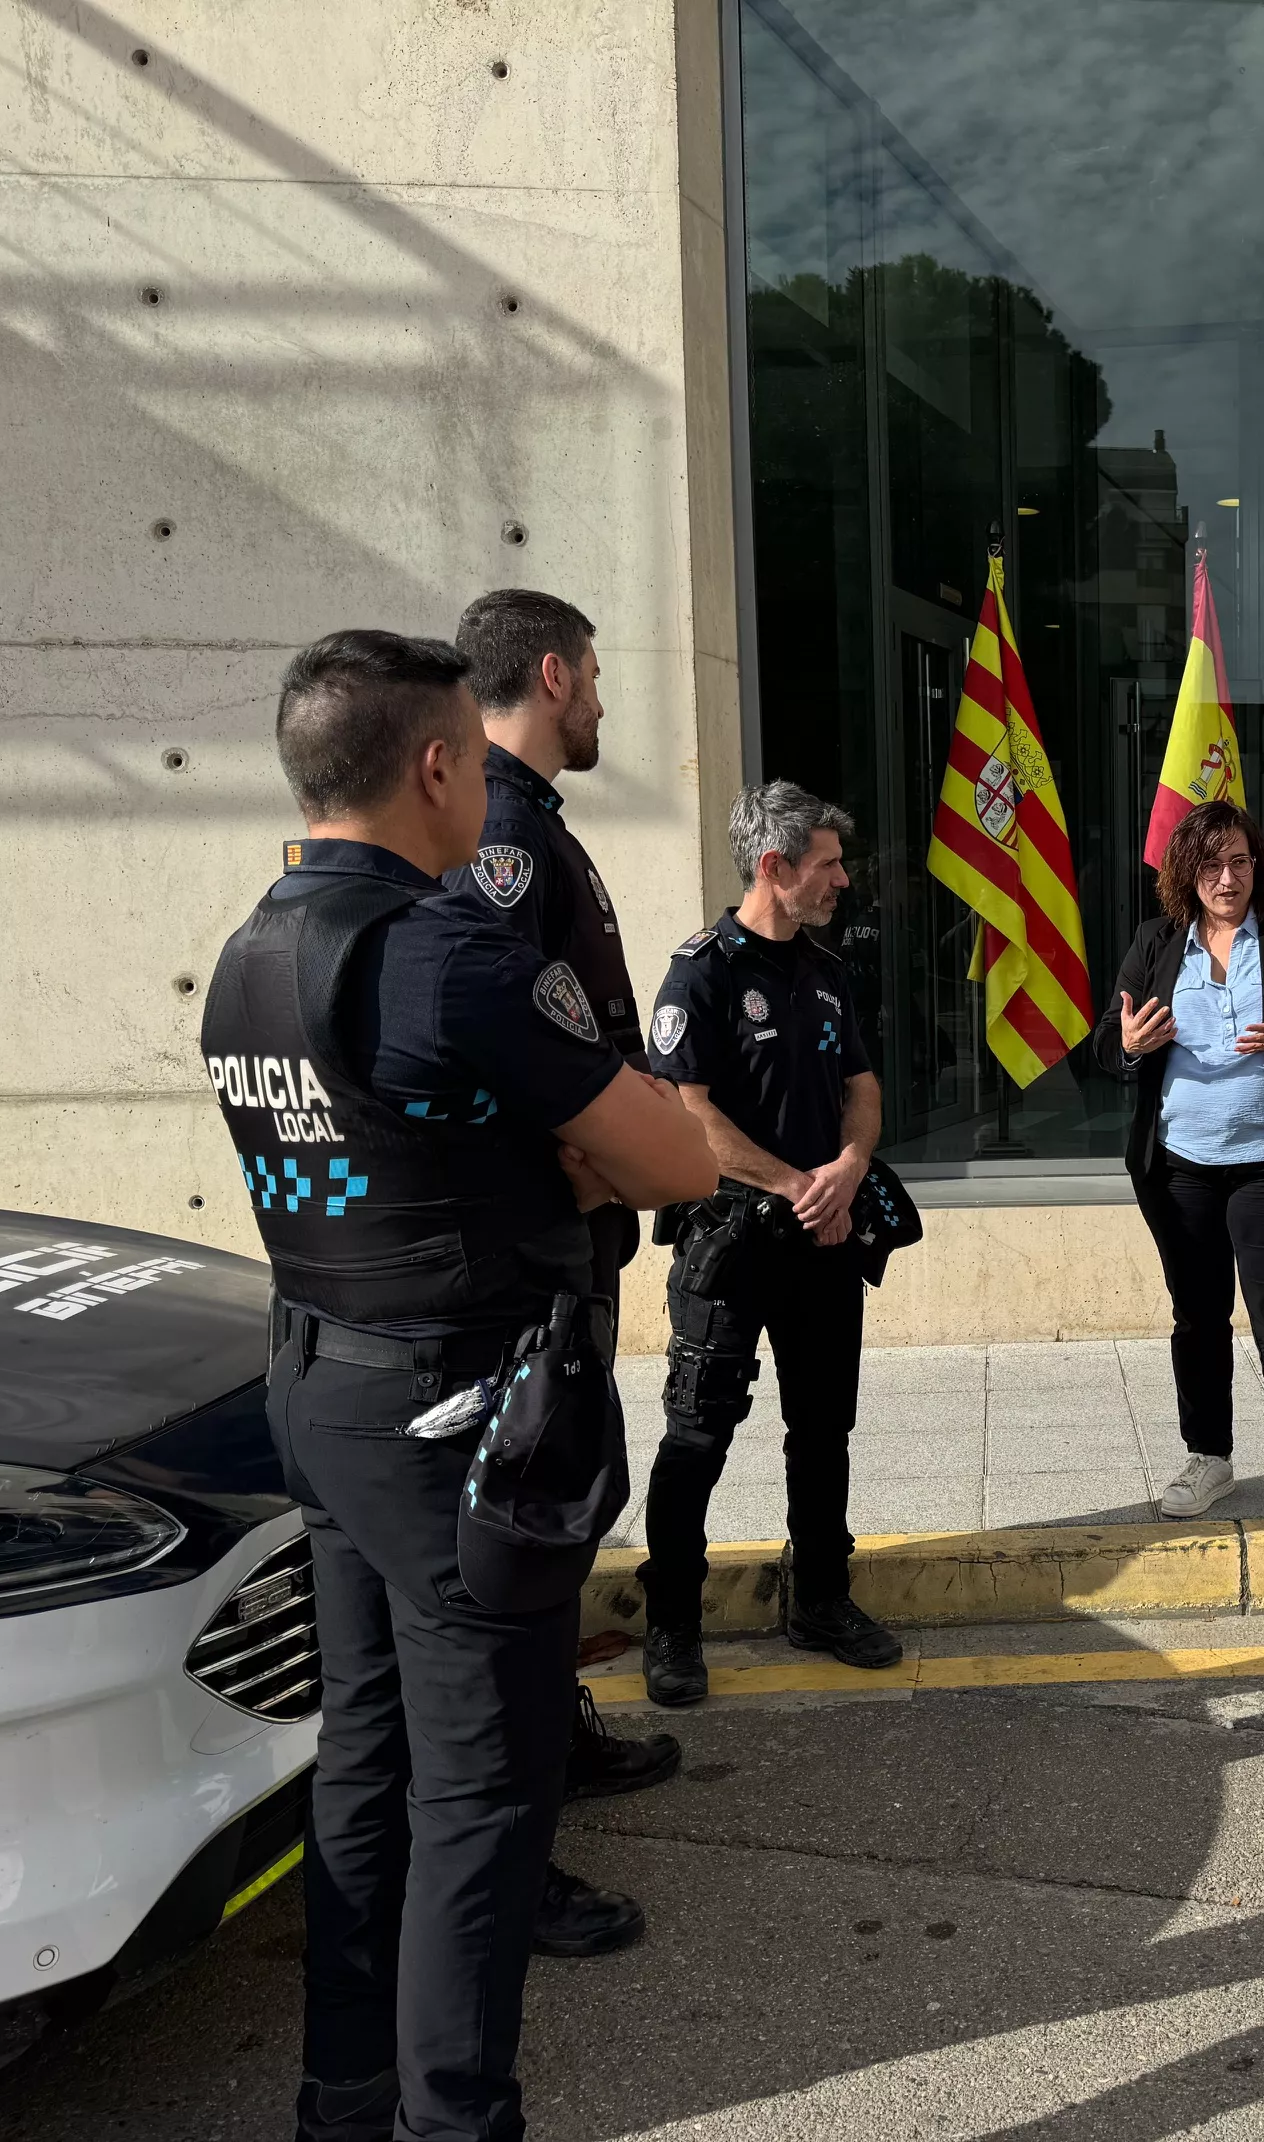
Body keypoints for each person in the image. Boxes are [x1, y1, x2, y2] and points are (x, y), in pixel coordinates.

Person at [202, 630, 716, 2141]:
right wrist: (584, 1145)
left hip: (322, 1388)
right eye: (469, 769)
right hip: (450, 1413)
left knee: (364, 1762)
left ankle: (344, 2101)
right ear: (438, 766)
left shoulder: (247, 950)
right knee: (485, 1798)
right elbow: (676, 1156)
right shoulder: (446, 954)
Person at [445, 587, 684, 1812]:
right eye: (591, 676)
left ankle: (556, 1733)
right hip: (545, 1236)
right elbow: (496, 1028)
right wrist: (590, 1150)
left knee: (568, 1507)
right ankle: (525, 1794)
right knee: (540, 1518)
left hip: (578, 1225)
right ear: (550, 674)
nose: (600, 700)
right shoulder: (501, 827)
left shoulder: (529, 819)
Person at [638, 780, 900, 1696]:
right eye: (828, 863)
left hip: (822, 1242)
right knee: (698, 1435)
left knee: (823, 1431)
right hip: (732, 1246)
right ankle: (672, 1621)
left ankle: (820, 1597)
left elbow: (862, 1086)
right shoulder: (701, 972)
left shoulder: (826, 970)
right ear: (775, 866)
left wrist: (849, 1170)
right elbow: (688, 1111)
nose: (843, 879)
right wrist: (794, 1183)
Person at [1098, 800, 1264, 1557]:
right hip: (1179, 1167)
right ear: (1187, 872)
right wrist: (1125, 1044)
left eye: (1241, 862)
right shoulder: (1156, 943)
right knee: (1198, 1314)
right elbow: (1105, 1043)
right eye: (1212, 863)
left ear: (1260, 867)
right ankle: (1209, 1457)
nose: (1228, 877)